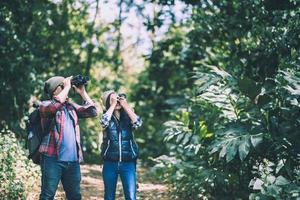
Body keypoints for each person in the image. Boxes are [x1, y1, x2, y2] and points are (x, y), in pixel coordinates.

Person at [39, 76, 98, 200]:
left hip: (72, 161)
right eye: (63, 86)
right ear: (55, 90)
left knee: (75, 196)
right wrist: (67, 87)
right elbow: (53, 107)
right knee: (47, 195)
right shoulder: (45, 105)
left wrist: (83, 92)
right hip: (52, 159)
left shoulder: (71, 107)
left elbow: (93, 111)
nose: (68, 88)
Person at [100, 90, 142, 200]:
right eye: (112, 99)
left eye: (117, 98)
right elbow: (103, 122)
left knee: (131, 196)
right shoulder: (107, 116)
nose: (117, 101)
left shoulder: (128, 116)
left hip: (128, 162)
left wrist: (126, 105)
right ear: (108, 103)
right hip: (110, 163)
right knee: (109, 196)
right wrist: (113, 105)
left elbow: (138, 123)